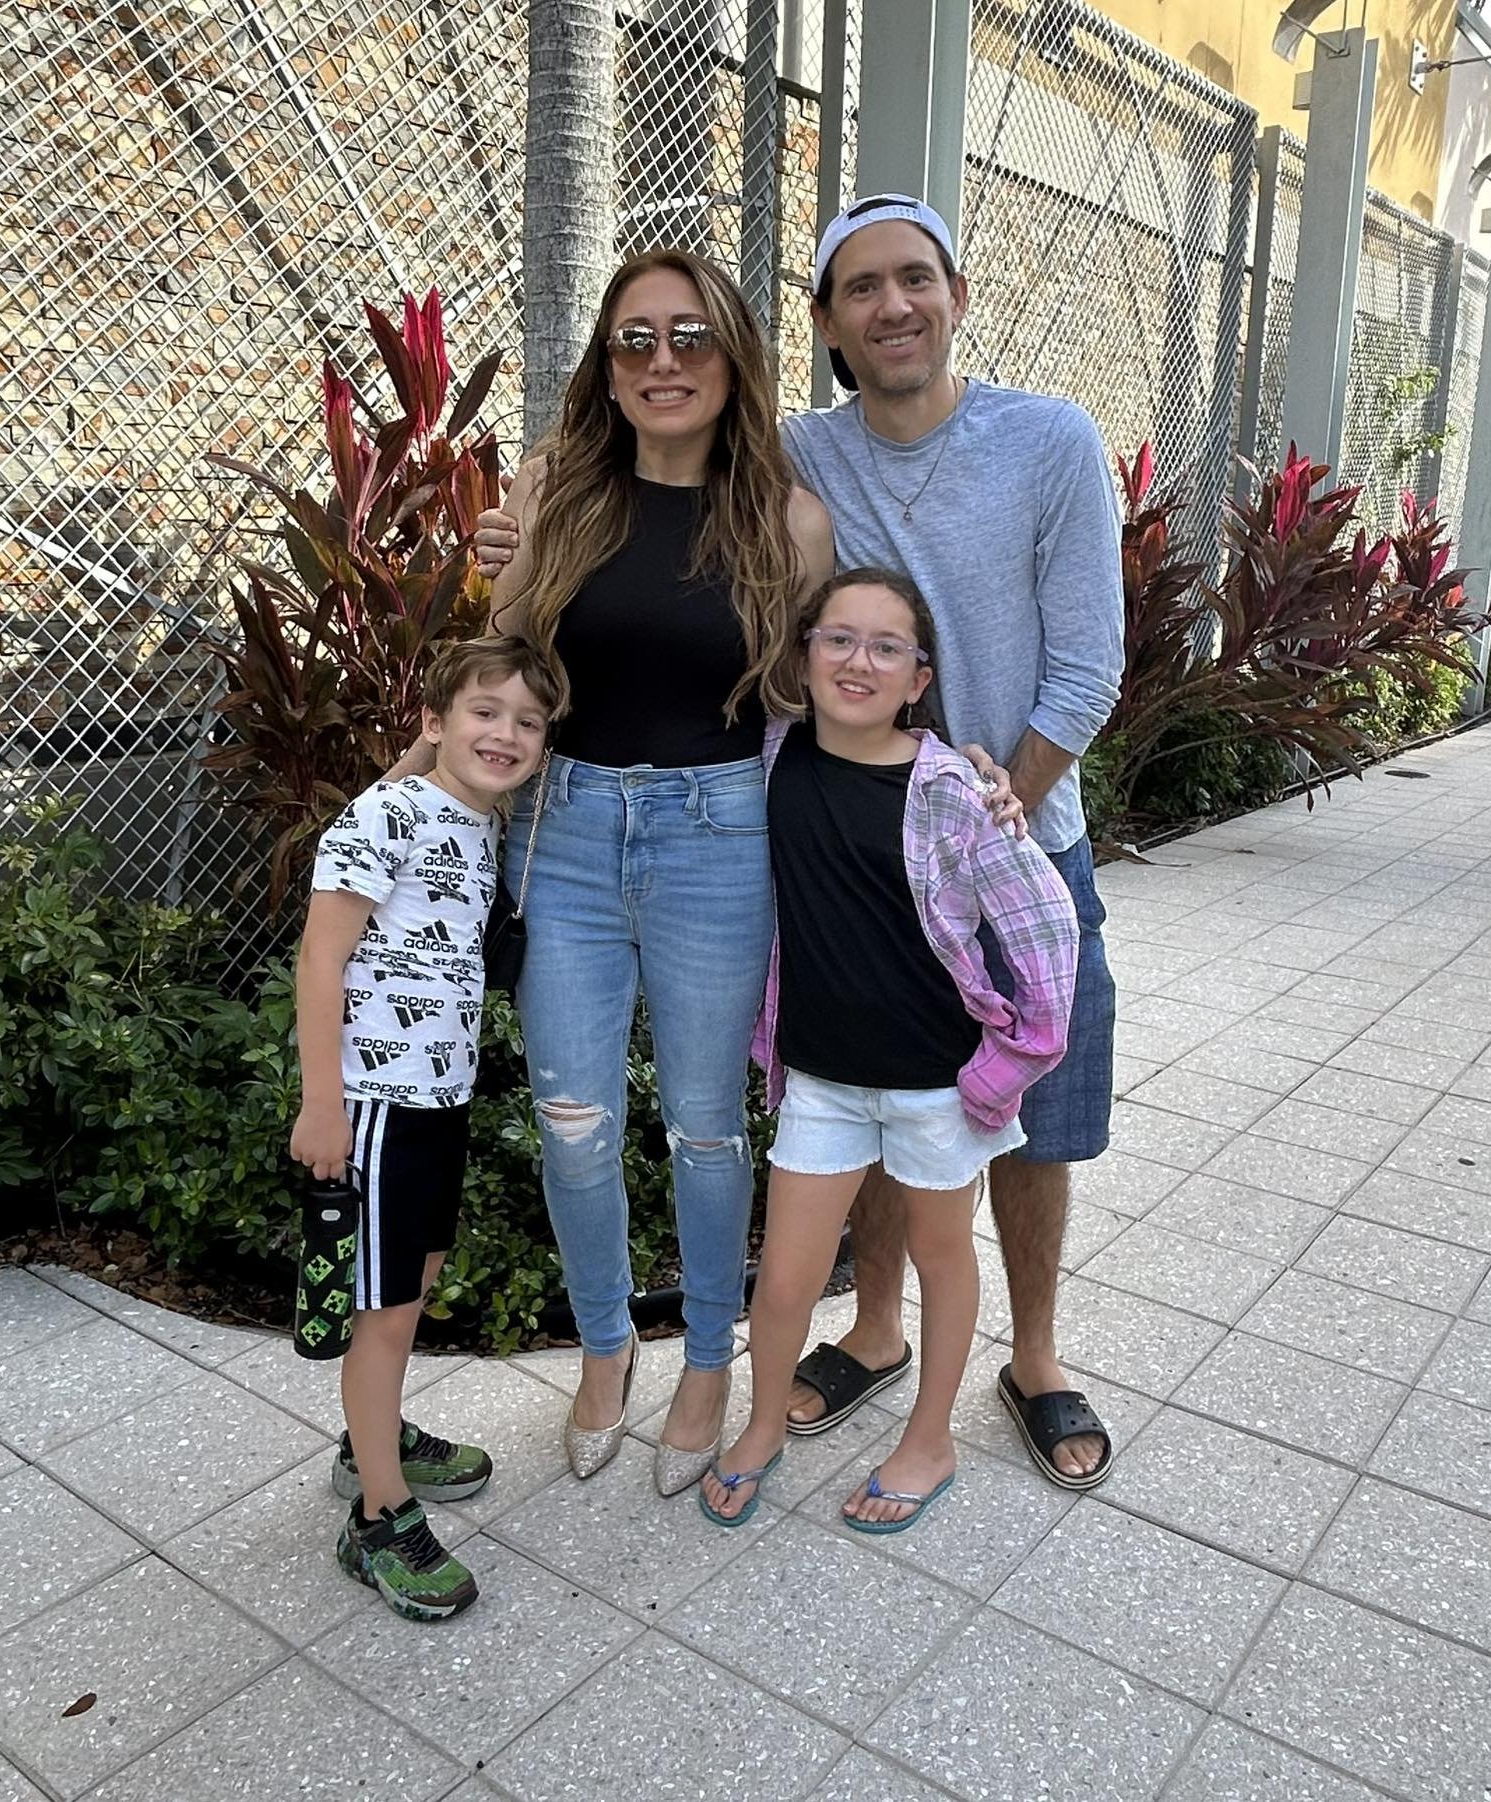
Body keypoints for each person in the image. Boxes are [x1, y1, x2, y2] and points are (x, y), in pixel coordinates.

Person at [477, 193, 1125, 1489]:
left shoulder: (1050, 441)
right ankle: (875, 1327)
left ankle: (1037, 1356)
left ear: (952, 292)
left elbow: (1088, 666)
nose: (894, 306)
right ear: (826, 323)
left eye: (916, 279)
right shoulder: (801, 460)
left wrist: (994, 817)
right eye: (863, 288)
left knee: (1038, 1118)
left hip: (1014, 838)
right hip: (848, 853)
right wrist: (521, 521)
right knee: (877, 1083)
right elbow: (668, 507)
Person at [485, 248, 836, 1493]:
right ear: (606, 366)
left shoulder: (786, 517)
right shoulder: (556, 488)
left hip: (716, 836)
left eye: (688, 336)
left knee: (701, 1122)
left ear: (733, 355)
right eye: (634, 340)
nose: (662, 361)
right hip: (566, 830)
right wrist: (429, 772)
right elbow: (506, 654)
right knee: (570, 1119)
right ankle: (600, 1348)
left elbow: (803, 693)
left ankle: (704, 1362)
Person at [698, 570, 1076, 1532]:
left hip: (934, 1088)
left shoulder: (952, 789)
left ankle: (931, 1439)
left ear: (919, 677)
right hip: (821, 1081)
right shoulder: (770, 760)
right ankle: (761, 1428)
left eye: (886, 646)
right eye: (838, 639)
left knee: (943, 1256)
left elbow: (1046, 933)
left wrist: (1006, 1066)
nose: (858, 660)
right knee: (784, 1278)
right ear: (803, 655)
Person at [289, 634, 564, 1621]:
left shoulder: (471, 818)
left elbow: (433, 782)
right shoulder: (385, 815)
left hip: (438, 1098)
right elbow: (320, 959)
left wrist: (423, 756)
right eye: (483, 710)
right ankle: (378, 1515)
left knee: (415, 1278)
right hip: (368, 1105)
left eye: (526, 722)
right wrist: (322, 1102)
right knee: (384, 1309)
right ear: (436, 718)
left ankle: (371, 1433)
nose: (505, 733)